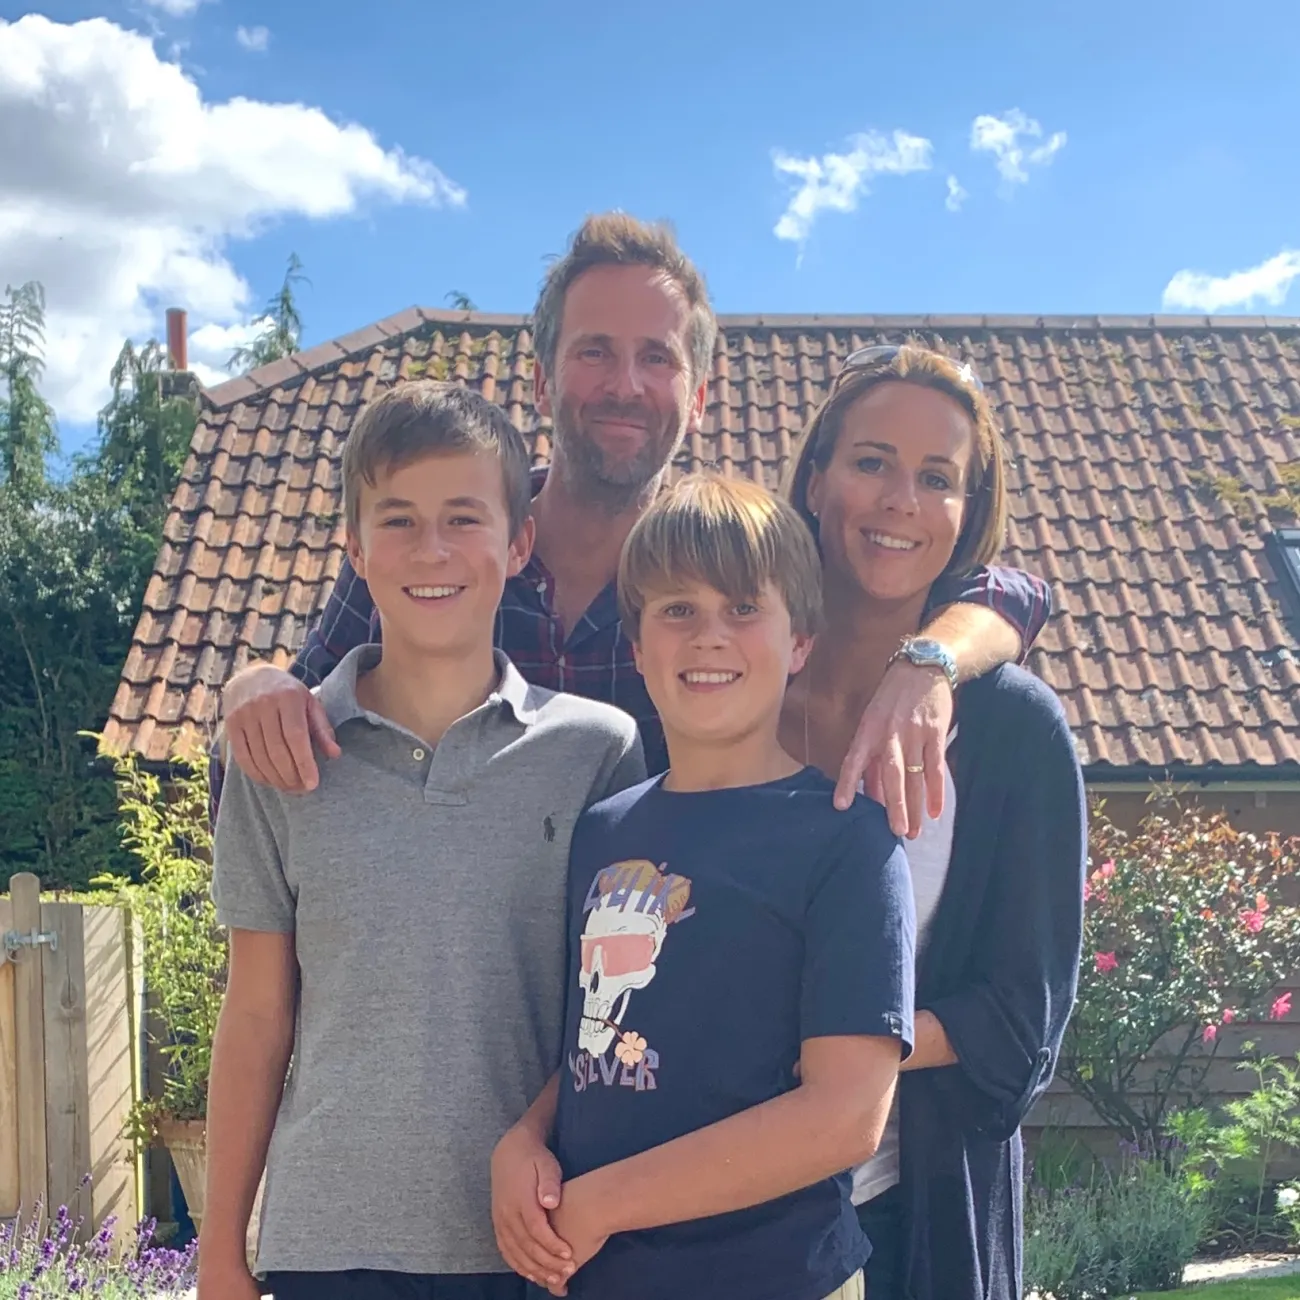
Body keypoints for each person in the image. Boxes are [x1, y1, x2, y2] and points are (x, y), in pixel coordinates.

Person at [214, 212, 1052, 840]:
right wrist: (253, 685)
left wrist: (929, 664)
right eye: (594, 352)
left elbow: (1003, 584)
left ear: (699, 394)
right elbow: (309, 712)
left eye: (657, 357)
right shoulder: (445, 548)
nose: (626, 384)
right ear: (542, 382)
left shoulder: (728, 568)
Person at [196, 384, 645, 1300]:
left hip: (537, 1245)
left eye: (463, 518)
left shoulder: (599, 751)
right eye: (397, 520)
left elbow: (614, 1006)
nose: (431, 550)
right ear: (354, 548)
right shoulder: (276, 757)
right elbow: (254, 1019)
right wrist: (217, 1254)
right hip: (327, 1246)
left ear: (518, 545)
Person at [492, 475, 916, 1300]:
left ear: (800, 642)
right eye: (677, 610)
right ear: (640, 645)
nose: (708, 636)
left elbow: (844, 1117)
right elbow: (601, 1039)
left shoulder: (847, 845)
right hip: (598, 1276)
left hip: (777, 1278)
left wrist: (605, 1202)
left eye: (743, 609)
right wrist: (526, 1135)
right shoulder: (604, 832)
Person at [779, 343, 1087, 1300]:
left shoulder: (1016, 732)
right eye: (872, 461)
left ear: (967, 514)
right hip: (721, 1213)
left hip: (918, 1222)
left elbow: (1019, 1023)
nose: (900, 499)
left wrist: (838, 1048)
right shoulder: (730, 689)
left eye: (936, 477)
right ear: (818, 476)